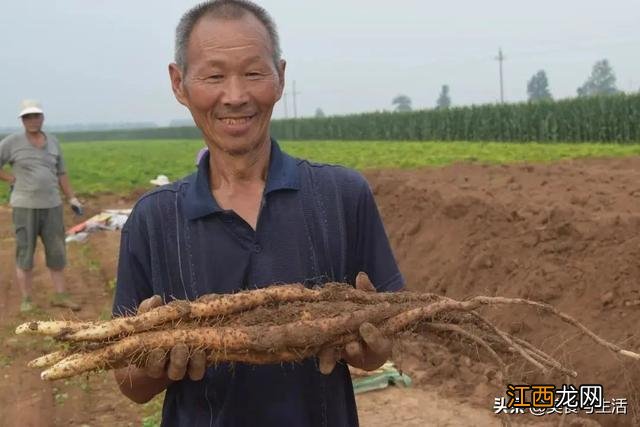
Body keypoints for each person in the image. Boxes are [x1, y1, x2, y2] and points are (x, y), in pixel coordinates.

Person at [112, 1, 404, 426]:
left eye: (253, 73)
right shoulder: (153, 220)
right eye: (213, 76)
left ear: (280, 77)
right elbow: (129, 383)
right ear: (179, 83)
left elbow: (385, 339)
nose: (235, 96)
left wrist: (372, 344)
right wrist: (148, 362)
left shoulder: (342, 196)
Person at [0, 100, 83, 313]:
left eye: (36, 116)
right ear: (22, 120)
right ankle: (27, 298)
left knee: (57, 251)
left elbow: (61, 173)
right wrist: (10, 178)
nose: (32, 120)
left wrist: (72, 198)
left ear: (42, 118)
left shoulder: (53, 142)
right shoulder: (12, 142)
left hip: (52, 205)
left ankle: (60, 295)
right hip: (24, 206)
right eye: (27, 117)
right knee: (25, 251)